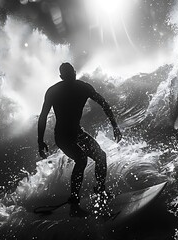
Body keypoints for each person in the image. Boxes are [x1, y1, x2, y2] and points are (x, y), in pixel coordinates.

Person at [38, 62, 122, 215]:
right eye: (68, 76)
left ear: (75, 73)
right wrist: (40, 141)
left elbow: (104, 103)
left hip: (77, 133)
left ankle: (100, 191)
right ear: (62, 77)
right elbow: (43, 117)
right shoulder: (53, 92)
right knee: (81, 159)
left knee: (101, 157)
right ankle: (74, 205)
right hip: (63, 136)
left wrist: (115, 126)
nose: (71, 78)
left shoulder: (83, 87)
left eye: (72, 75)